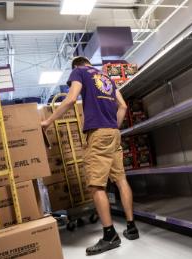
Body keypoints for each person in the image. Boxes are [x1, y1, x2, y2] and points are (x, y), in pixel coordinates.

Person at [41, 56, 139, 255]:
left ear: (77, 65)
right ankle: (131, 227)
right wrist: (114, 127)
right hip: (113, 133)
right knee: (120, 179)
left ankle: (110, 235)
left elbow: (70, 99)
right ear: (88, 62)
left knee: (96, 185)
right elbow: (123, 106)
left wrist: (47, 121)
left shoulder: (79, 72)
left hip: (98, 133)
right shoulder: (107, 78)